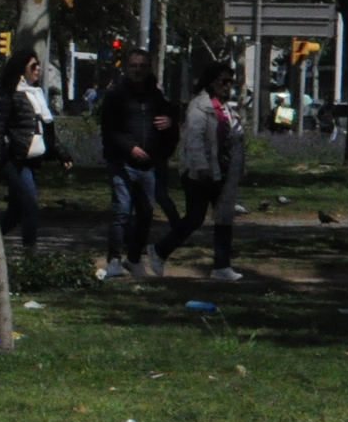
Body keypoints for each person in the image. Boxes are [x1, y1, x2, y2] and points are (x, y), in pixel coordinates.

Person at [155, 61, 246, 276]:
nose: (227, 86)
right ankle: (158, 251)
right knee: (195, 218)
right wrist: (202, 167)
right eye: (224, 81)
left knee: (224, 217)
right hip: (200, 173)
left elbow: (233, 138)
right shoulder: (199, 106)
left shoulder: (226, 108)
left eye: (230, 82)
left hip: (223, 171)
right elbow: (194, 140)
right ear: (212, 82)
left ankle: (222, 266)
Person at [97, 49, 175, 279]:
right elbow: (108, 131)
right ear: (126, 68)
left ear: (149, 68)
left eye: (142, 66)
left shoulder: (157, 98)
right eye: (133, 66)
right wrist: (129, 148)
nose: (138, 70)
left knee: (146, 212)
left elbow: (171, 125)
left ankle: (133, 258)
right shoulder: (115, 97)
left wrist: (170, 122)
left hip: (149, 165)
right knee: (122, 209)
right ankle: (113, 259)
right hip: (122, 162)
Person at [0, 49, 71, 255]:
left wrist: (62, 154)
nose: (38, 69)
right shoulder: (10, 96)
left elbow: (43, 131)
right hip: (13, 160)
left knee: (15, 213)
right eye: (33, 65)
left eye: (38, 65)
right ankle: (29, 251)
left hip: (30, 160)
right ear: (22, 69)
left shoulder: (36, 95)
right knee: (31, 205)